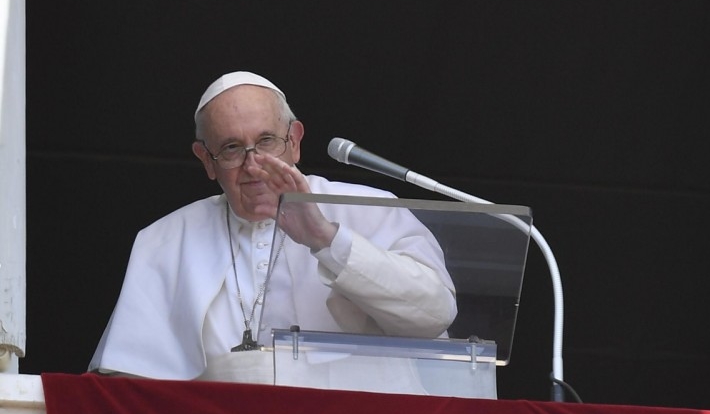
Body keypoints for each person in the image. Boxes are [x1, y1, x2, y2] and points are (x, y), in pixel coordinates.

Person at [89, 71, 457, 384]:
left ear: (294, 141)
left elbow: (435, 315)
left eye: (266, 141)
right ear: (207, 161)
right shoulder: (164, 240)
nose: (253, 166)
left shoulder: (372, 210)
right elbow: (125, 381)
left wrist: (326, 240)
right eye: (231, 148)